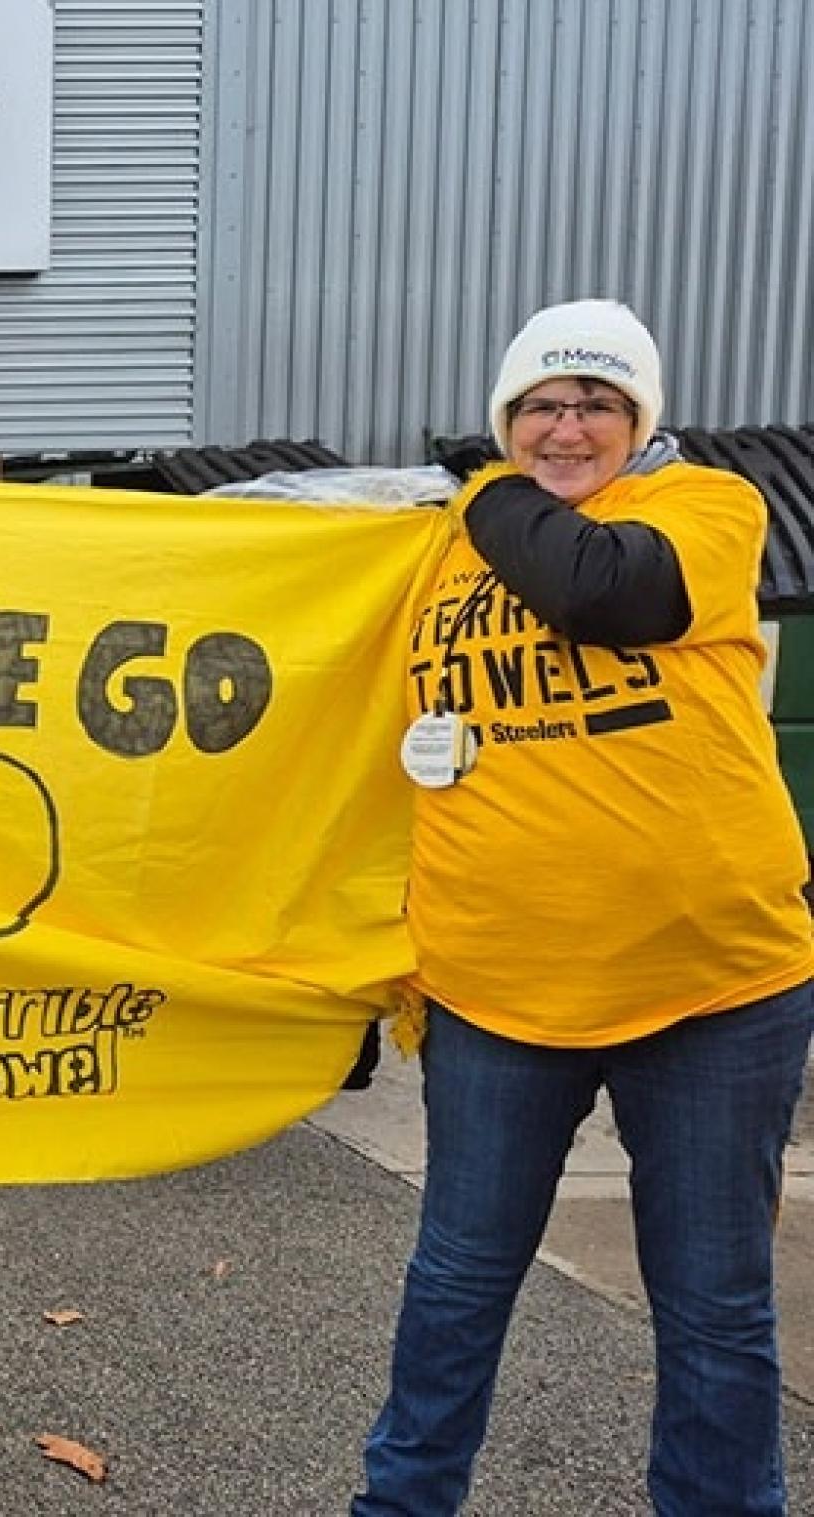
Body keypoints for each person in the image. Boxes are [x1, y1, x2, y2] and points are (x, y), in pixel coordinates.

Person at [354, 298, 814, 1514]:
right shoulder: (437, 548)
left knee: (711, 1305)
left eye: (596, 403)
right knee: (455, 1283)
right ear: (507, 412)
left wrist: (479, 483)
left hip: (709, 987)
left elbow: (610, 591)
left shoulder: (703, 505)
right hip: (494, 987)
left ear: (639, 419)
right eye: (539, 405)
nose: (564, 428)